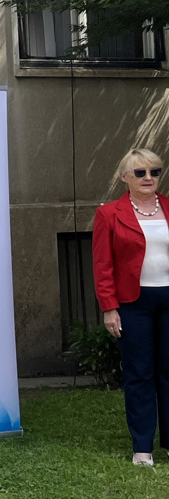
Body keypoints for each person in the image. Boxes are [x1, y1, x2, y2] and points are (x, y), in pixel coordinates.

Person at [93, 147, 169, 467]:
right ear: (125, 178)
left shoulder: (168, 206)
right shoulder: (109, 214)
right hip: (132, 305)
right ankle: (142, 447)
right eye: (140, 173)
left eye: (154, 171)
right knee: (140, 375)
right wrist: (110, 308)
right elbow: (102, 265)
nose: (148, 177)